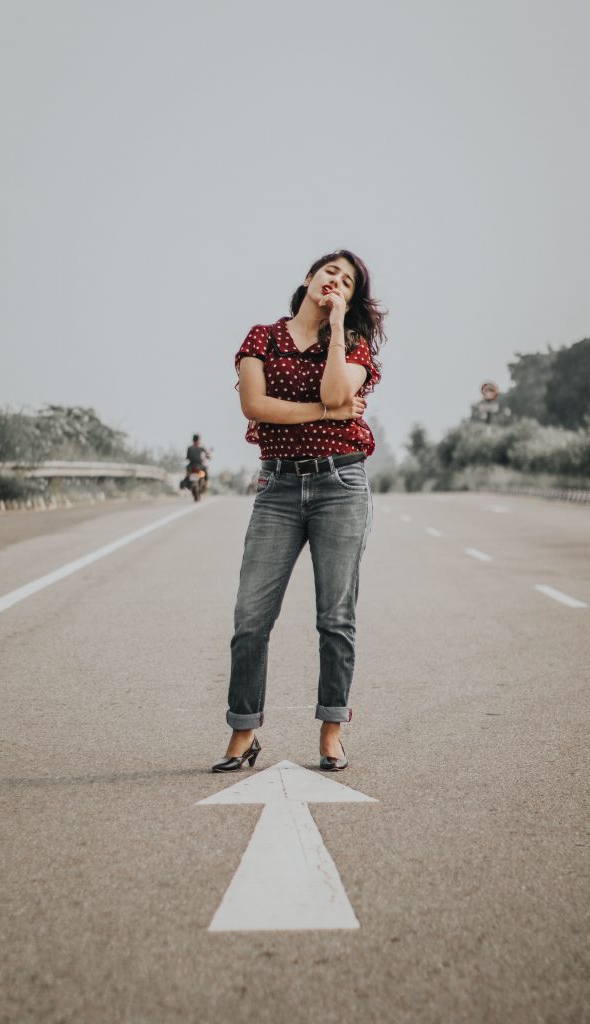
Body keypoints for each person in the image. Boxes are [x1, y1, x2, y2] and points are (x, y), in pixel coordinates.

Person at [211, 249, 386, 773]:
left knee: (336, 616)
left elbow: (339, 389)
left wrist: (336, 328)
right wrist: (324, 411)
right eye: (330, 272)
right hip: (278, 486)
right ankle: (244, 731)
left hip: (340, 482)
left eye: (348, 282)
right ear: (309, 278)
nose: (336, 281)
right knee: (250, 617)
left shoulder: (352, 345)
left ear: (351, 300)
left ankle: (331, 731)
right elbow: (256, 406)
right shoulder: (261, 337)